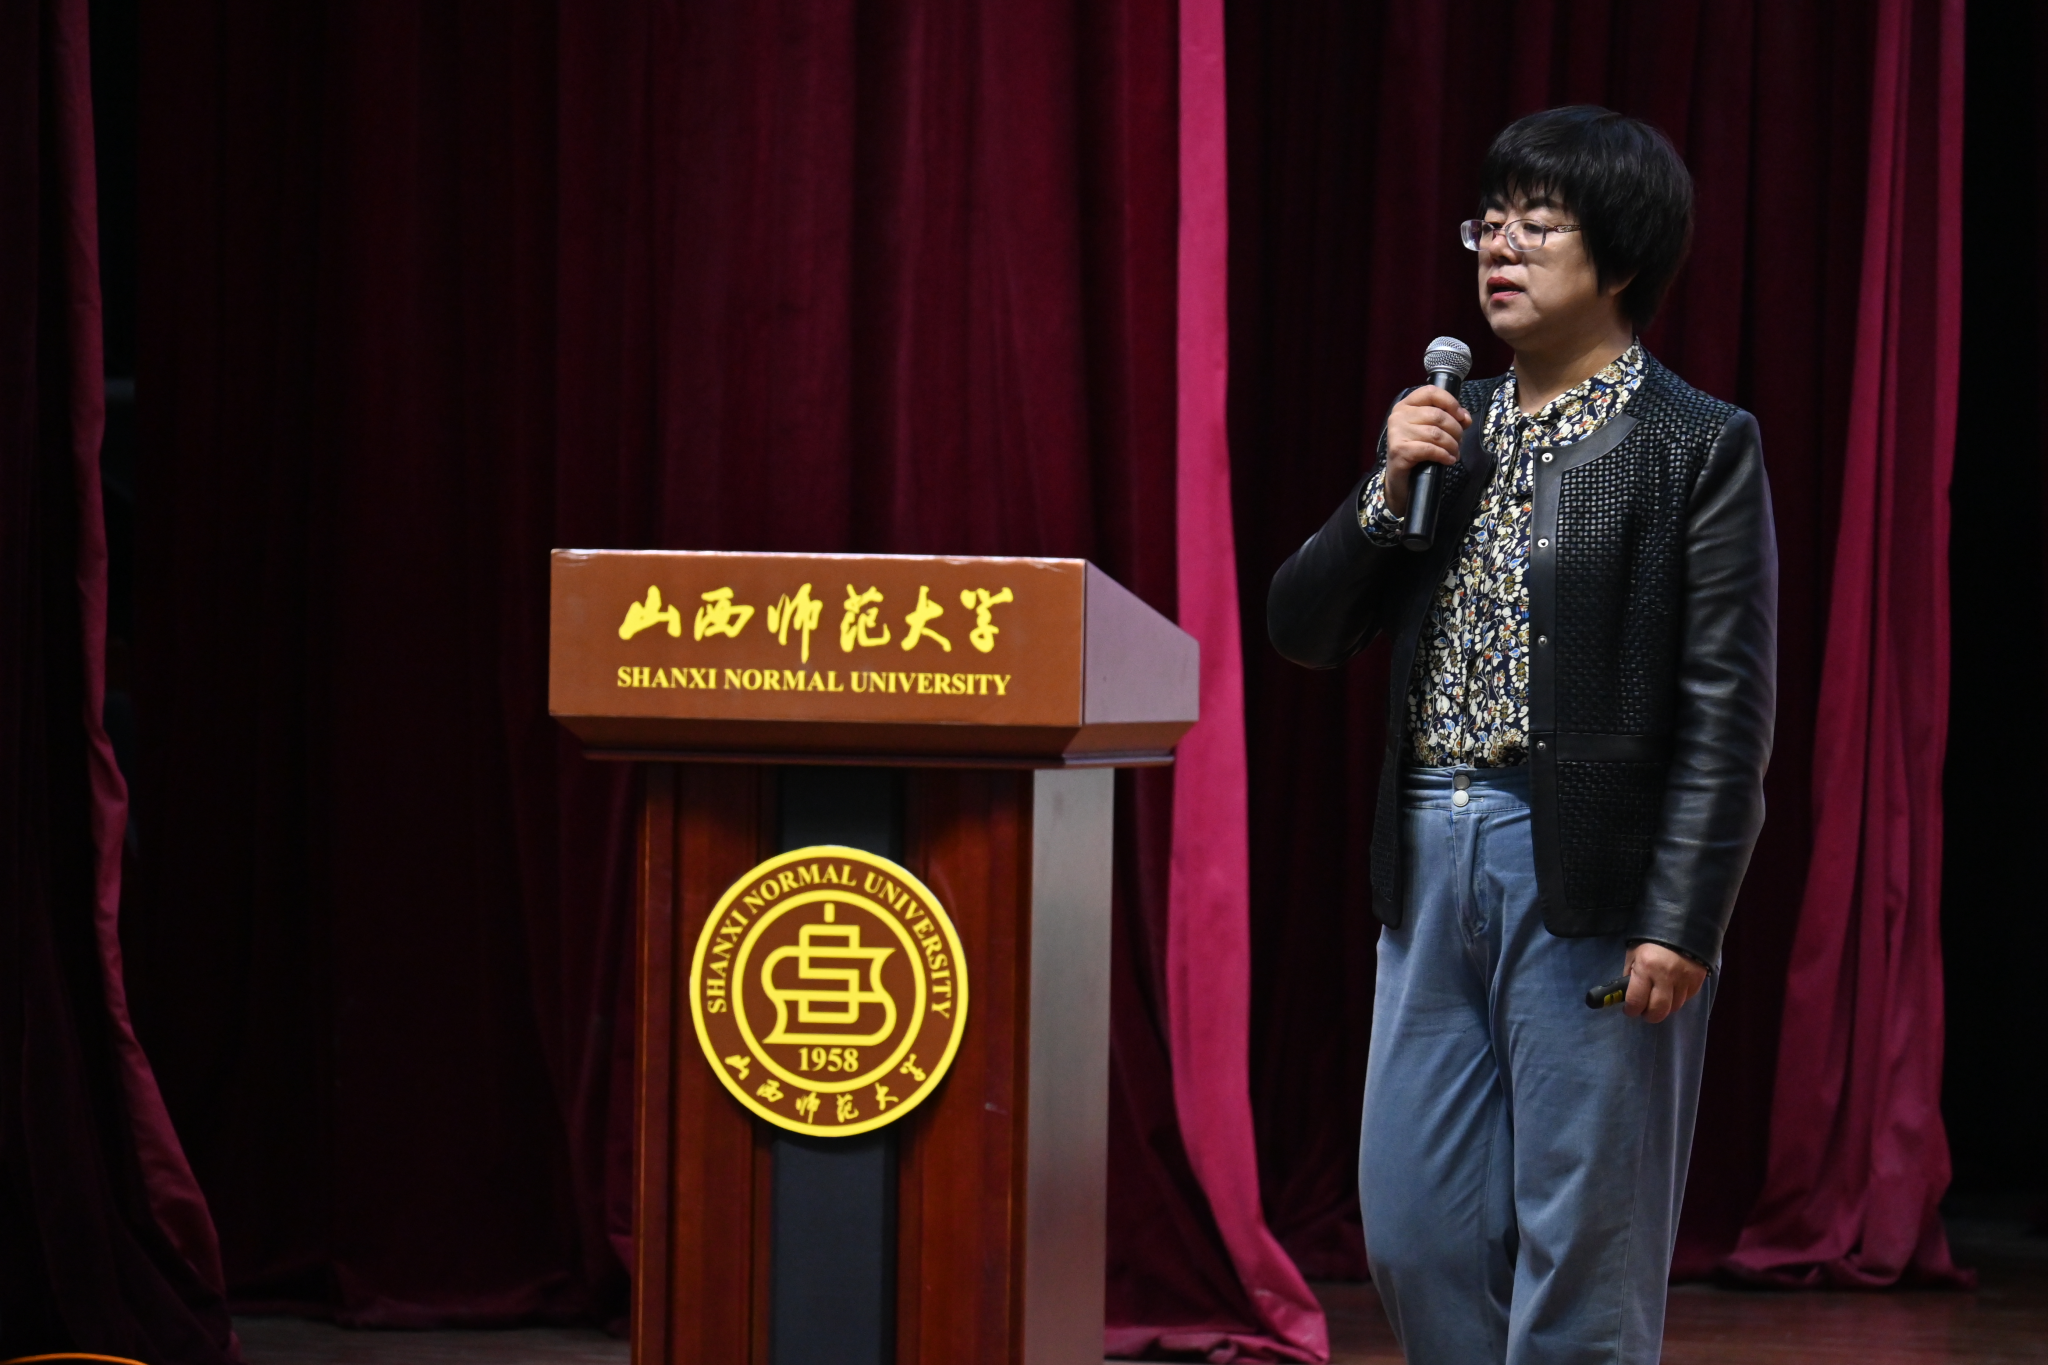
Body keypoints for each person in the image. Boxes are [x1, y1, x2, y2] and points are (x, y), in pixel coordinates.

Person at [1267, 106, 1776, 1364]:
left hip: (1590, 878)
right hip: (1426, 860)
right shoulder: (1444, 429)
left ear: (1619, 257)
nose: (1497, 247)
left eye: (1535, 225)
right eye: (1486, 224)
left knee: (1582, 1245)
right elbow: (1300, 629)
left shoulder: (1694, 443)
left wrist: (1683, 916)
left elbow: (1727, 707)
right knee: (1413, 1230)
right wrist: (1383, 489)